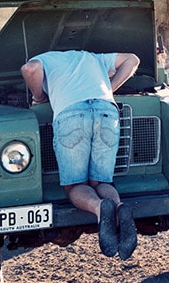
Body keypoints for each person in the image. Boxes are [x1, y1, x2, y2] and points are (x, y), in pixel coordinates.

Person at [21, 49, 140, 260]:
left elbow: (31, 69)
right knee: (101, 181)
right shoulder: (93, 57)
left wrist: (39, 97)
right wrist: (109, 89)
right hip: (107, 110)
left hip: (72, 113)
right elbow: (133, 59)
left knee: (75, 185)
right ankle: (119, 207)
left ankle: (99, 208)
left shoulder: (46, 58)